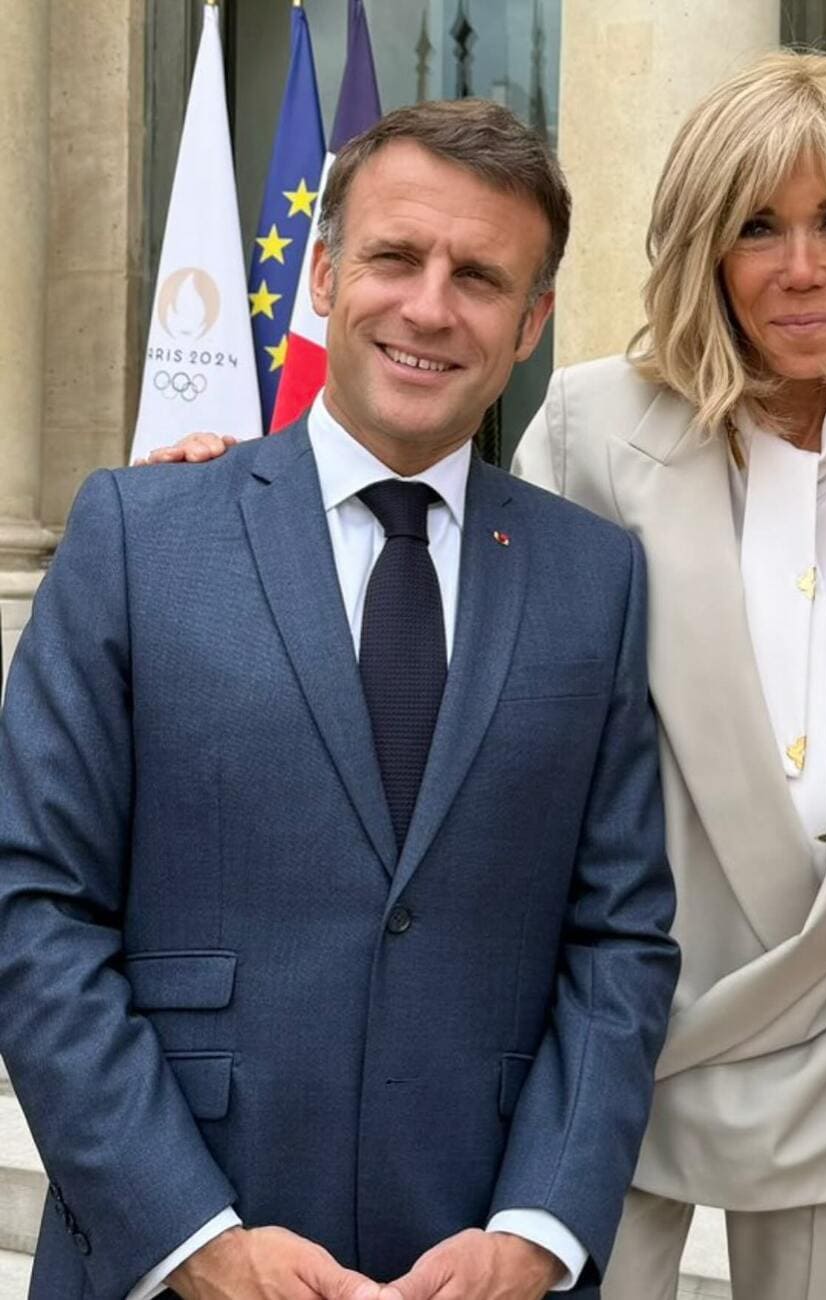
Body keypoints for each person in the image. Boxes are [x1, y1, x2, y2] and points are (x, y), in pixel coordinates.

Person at [144, 52, 826, 1300]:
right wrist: (256, 500)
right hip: (616, 1027)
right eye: (755, 225)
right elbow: (466, 621)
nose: (799, 267)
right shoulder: (594, 421)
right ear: (702, 245)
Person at [0, 101, 680, 1300]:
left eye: (479, 277)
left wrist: (537, 1229)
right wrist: (192, 1238)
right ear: (321, 274)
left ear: (530, 322)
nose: (429, 306)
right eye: (393, 256)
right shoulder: (138, 535)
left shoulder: (597, 580)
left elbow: (618, 935)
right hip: (174, 1246)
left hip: (474, 1255)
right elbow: (34, 906)